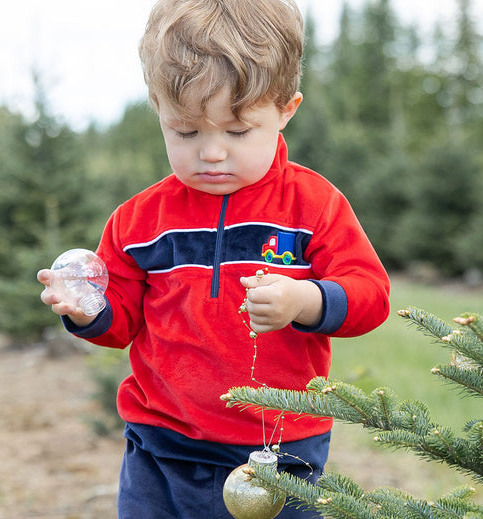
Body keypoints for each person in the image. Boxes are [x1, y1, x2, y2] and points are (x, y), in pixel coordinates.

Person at [36, 0, 391, 516]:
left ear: (286, 110)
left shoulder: (313, 206)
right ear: (157, 110)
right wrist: (90, 311)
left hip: (277, 449)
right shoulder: (140, 220)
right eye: (186, 132)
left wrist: (306, 299)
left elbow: (371, 295)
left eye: (238, 131)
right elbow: (123, 319)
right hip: (160, 442)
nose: (212, 153)